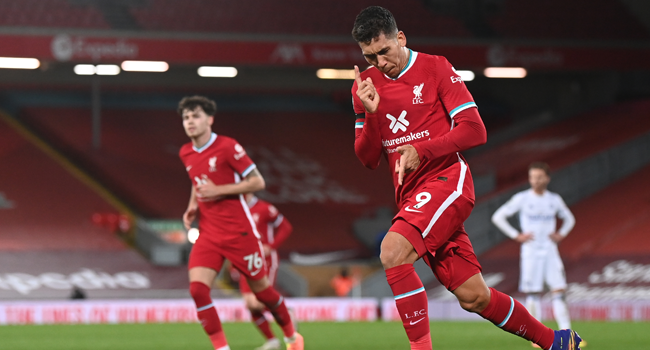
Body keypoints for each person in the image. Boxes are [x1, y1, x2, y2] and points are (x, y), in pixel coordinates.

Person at [351, 6, 581, 350]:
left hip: (447, 181)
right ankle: (558, 343)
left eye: (384, 51)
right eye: (370, 56)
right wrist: (370, 114)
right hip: (412, 198)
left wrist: (421, 149)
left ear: (400, 38)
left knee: (392, 250)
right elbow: (368, 159)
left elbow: (475, 130)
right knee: (474, 296)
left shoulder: (435, 67)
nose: (380, 62)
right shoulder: (365, 88)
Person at [178, 96, 303, 350]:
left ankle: (291, 336)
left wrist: (219, 190)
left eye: (196, 116)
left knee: (262, 293)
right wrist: (193, 205)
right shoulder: (186, 152)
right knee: (198, 291)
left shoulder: (227, 147)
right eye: (186, 117)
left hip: (239, 233)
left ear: (210, 119)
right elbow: (197, 179)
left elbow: (258, 182)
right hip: (209, 235)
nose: (190, 122)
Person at [492, 162, 582, 348]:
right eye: (533, 177)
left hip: (550, 250)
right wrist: (516, 235)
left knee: (559, 290)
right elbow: (498, 217)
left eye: (539, 177)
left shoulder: (554, 199)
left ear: (547, 178)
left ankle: (567, 333)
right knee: (533, 293)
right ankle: (537, 336)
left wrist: (561, 234)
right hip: (531, 251)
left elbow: (570, 218)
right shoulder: (522, 198)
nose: (536, 180)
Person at [230, 192, 294, 350]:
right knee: (250, 304)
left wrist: (271, 247)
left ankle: (286, 313)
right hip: (245, 260)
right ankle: (272, 340)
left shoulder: (265, 208)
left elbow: (286, 227)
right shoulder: (236, 210)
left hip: (265, 260)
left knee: (260, 300)